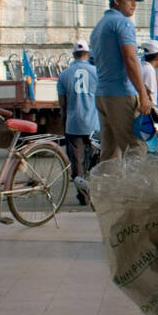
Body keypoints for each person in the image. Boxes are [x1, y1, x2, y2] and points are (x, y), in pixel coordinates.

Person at [89, 0, 153, 160]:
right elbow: (130, 59)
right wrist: (143, 94)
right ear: (116, 0)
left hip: (103, 95)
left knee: (110, 153)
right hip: (121, 94)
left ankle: (103, 188)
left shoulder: (99, 26)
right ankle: (135, 188)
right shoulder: (123, 23)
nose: (133, 4)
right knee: (135, 148)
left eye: (135, 0)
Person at [56, 40, 98, 204]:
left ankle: (83, 196)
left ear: (73, 55)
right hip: (94, 124)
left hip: (73, 124)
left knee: (77, 162)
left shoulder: (64, 74)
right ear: (87, 54)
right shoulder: (96, 72)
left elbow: (62, 103)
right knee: (96, 160)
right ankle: (95, 192)